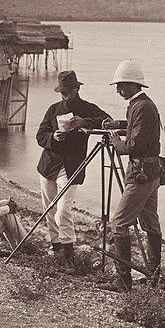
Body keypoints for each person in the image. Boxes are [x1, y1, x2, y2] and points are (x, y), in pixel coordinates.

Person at [36, 70, 111, 274]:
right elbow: (40, 136)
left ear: (77, 89)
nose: (65, 96)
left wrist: (85, 122)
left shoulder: (88, 109)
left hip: (72, 168)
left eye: (68, 92)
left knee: (63, 210)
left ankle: (69, 255)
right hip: (48, 166)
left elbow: (107, 121)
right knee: (50, 211)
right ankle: (57, 250)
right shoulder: (53, 110)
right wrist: (53, 137)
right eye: (62, 92)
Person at [100, 59, 163, 292]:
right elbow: (138, 127)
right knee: (150, 222)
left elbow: (134, 145)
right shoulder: (142, 105)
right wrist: (119, 123)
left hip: (141, 173)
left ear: (133, 84)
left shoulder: (142, 107)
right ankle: (154, 277)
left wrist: (116, 140)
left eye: (121, 86)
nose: (118, 90)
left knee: (119, 223)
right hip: (152, 171)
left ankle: (123, 282)